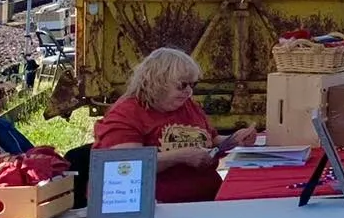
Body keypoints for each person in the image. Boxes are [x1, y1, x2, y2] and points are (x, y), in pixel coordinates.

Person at [94, 47, 258, 204]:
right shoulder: (127, 112)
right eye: (182, 85)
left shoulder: (187, 105)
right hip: (158, 206)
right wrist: (180, 156)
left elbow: (210, 140)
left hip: (206, 200)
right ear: (158, 81)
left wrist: (234, 140)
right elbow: (126, 165)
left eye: (193, 85)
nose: (189, 92)